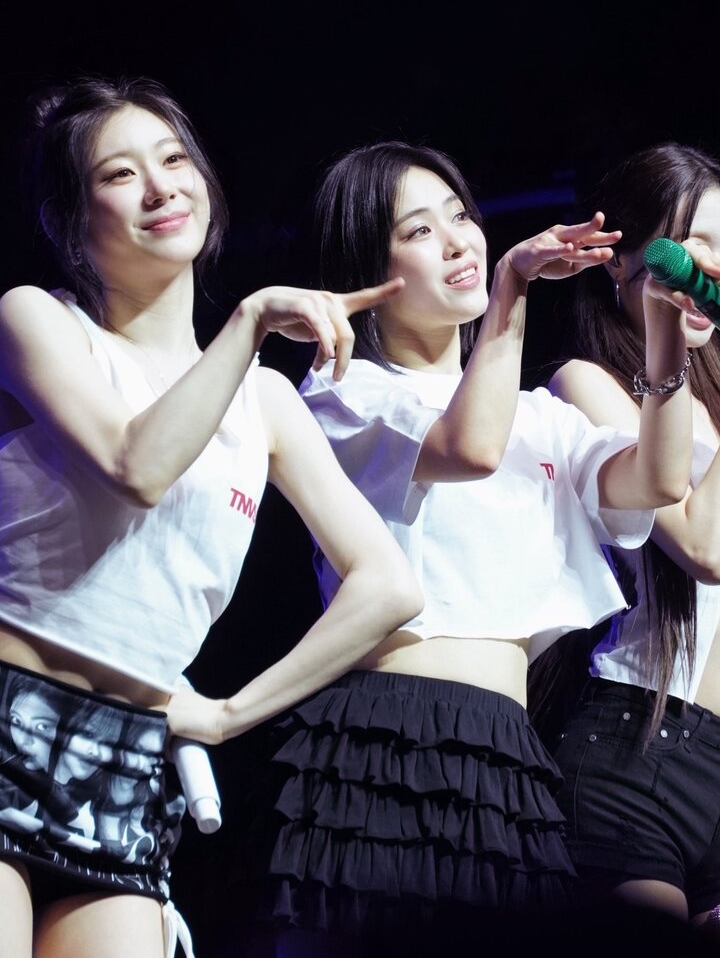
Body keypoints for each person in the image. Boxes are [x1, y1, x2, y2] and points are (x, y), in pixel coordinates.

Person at [215, 139, 702, 954]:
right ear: (369, 270)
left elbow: (656, 480)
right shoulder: (345, 393)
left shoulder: (540, 416)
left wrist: (664, 332)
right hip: (387, 730)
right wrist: (511, 287)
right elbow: (469, 448)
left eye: (460, 216)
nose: (456, 240)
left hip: (509, 749)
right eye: (418, 230)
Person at [0, 76, 425, 958]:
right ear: (70, 220)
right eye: (120, 174)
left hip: (128, 756)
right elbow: (137, 466)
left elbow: (389, 585)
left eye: (174, 159)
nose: (160, 187)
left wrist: (230, 714)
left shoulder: (265, 402)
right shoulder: (40, 320)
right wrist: (251, 319)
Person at [539, 142, 720, 929]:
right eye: (698, 245)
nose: (716, 270)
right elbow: (704, 547)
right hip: (636, 746)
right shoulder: (587, 383)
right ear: (623, 262)